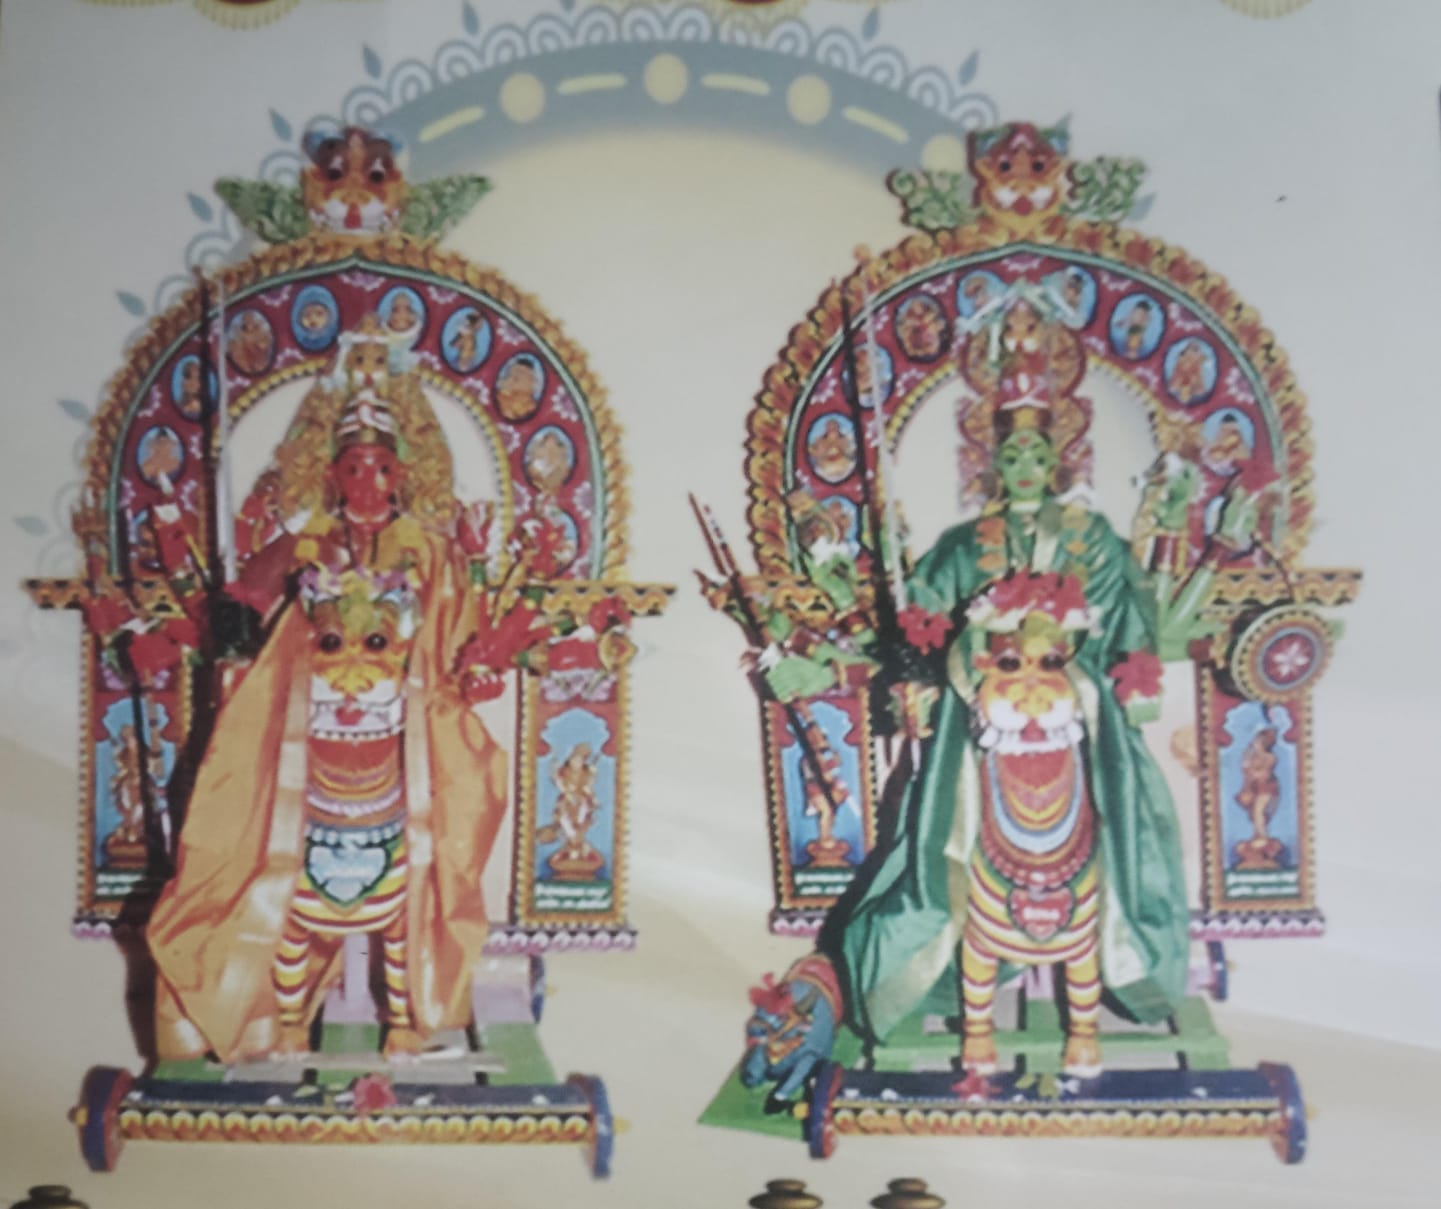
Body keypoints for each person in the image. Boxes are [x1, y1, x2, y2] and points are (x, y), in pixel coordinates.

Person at [807, 350, 1191, 1075]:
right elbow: (921, 618)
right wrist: (917, 672)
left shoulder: (1091, 539)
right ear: (992, 463)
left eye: (1036, 454)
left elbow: (1126, 618)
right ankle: (945, 961)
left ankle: (1114, 953)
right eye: (1011, 454)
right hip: (984, 716)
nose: (1024, 466)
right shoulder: (963, 546)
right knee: (941, 827)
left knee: (1119, 814)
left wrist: (1130, 672)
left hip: (1073, 715)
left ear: (1057, 459)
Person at [146, 314, 508, 1063]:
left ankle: (411, 1012)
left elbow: (455, 631)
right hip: (309, 731)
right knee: (264, 853)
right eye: (353, 466)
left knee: (439, 841)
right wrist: (235, 631)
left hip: (405, 733)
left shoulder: (431, 550)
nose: (367, 481)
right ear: (331, 471)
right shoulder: (303, 543)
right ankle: (271, 1015)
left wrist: (468, 665)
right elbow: (248, 604)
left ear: (403, 472)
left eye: (380, 467)